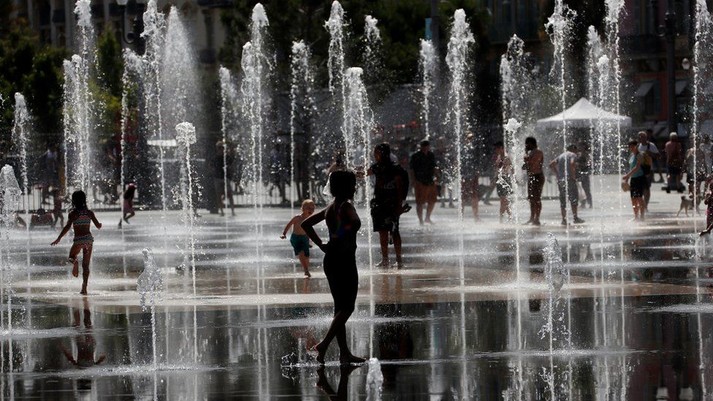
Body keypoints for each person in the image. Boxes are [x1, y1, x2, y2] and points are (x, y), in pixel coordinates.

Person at [301, 170, 365, 365]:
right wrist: (340, 234)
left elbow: (306, 224)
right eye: (353, 185)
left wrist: (322, 244)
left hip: (331, 260)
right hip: (345, 260)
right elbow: (355, 223)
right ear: (347, 187)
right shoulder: (346, 206)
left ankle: (344, 353)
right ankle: (324, 344)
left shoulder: (330, 207)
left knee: (339, 309)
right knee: (348, 307)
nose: (355, 188)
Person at [51, 190, 102, 295]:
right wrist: (100, 224)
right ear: (84, 200)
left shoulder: (73, 214)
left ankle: (75, 262)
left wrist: (59, 238)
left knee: (71, 256)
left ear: (73, 201)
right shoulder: (89, 213)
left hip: (79, 240)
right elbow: (98, 226)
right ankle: (84, 288)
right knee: (86, 265)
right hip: (88, 240)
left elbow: (67, 227)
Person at [365, 143, 407, 268]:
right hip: (380, 204)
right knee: (384, 232)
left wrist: (399, 204)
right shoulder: (377, 167)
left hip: (391, 204)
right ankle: (386, 259)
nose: (374, 154)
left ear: (382, 153)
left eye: (376, 152)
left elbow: (399, 187)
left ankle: (398, 260)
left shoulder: (395, 168)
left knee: (394, 231)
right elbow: (365, 173)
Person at [59, 298, 106, 369]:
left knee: (87, 326)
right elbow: (70, 359)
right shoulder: (80, 367)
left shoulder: (86, 367)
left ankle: (82, 304)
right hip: (83, 348)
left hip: (88, 348)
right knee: (79, 325)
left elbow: (70, 358)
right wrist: (63, 349)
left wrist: (101, 358)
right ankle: (79, 305)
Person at [549, 144, 584, 226]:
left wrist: (557, 174)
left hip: (561, 180)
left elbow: (551, 164)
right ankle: (575, 218)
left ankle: (564, 220)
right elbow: (572, 163)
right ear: (573, 149)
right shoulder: (572, 155)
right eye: (576, 150)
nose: (577, 152)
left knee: (563, 200)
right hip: (569, 179)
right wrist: (573, 176)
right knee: (573, 198)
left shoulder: (561, 155)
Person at [281, 199, 316, 278]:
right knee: (301, 253)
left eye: (312, 208)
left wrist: (309, 241)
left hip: (305, 238)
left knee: (306, 256)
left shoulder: (310, 219)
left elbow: (309, 230)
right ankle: (306, 270)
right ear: (303, 208)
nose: (311, 210)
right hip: (295, 238)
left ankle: (306, 269)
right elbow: (289, 225)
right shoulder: (297, 218)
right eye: (308, 208)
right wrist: (284, 234)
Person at [409, 140, 438, 225]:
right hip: (420, 181)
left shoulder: (431, 155)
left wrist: (437, 176)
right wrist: (413, 180)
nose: (425, 148)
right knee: (420, 202)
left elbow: (434, 166)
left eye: (427, 146)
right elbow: (411, 169)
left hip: (430, 180)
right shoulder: (416, 156)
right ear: (421, 147)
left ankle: (427, 218)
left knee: (432, 200)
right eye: (424, 146)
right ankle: (421, 220)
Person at [623, 140, 647, 221]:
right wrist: (627, 179)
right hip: (633, 179)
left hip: (640, 178)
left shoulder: (639, 155)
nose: (631, 148)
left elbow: (637, 167)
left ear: (636, 146)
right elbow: (630, 168)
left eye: (632, 146)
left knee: (639, 198)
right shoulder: (631, 155)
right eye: (630, 147)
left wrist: (627, 175)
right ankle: (636, 216)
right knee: (633, 198)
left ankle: (642, 216)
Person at [523, 137, 544, 225]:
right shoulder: (530, 153)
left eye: (527, 144)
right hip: (531, 177)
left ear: (531, 143)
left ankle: (537, 219)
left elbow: (532, 163)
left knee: (537, 198)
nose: (526, 145)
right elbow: (526, 166)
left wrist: (526, 158)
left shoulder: (538, 152)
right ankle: (532, 218)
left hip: (537, 176)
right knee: (531, 198)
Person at [638, 130, 659, 208]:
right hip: (639, 170)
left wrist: (651, 153)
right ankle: (643, 204)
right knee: (641, 188)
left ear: (646, 137)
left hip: (649, 169)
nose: (642, 138)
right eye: (640, 137)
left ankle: (645, 205)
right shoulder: (638, 146)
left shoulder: (651, 145)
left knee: (647, 188)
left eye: (643, 137)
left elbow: (658, 156)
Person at [213, 141, 235, 216]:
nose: (221, 149)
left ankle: (232, 211)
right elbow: (211, 166)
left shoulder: (227, 157)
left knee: (229, 194)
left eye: (222, 147)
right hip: (218, 178)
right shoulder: (215, 157)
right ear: (217, 148)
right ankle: (222, 211)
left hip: (226, 178)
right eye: (219, 148)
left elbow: (231, 165)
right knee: (219, 195)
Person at [494, 141, 513, 222]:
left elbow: (508, 168)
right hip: (499, 180)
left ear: (502, 148)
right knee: (504, 200)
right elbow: (497, 169)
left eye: (497, 148)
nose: (496, 150)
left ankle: (501, 219)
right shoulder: (499, 157)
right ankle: (510, 216)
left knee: (503, 200)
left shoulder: (506, 157)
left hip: (504, 180)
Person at [577, 143, 593, 209]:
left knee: (586, 189)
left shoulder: (587, 155)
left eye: (581, 146)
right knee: (580, 189)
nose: (580, 147)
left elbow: (589, 163)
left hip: (585, 173)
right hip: (579, 174)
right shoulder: (579, 154)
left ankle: (590, 203)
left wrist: (580, 164)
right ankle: (583, 203)